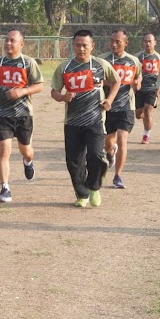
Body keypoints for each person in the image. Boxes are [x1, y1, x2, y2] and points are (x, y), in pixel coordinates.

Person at [50, 29, 120, 207]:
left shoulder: (100, 64)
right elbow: (54, 91)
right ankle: (82, 194)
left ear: (92, 46)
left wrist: (109, 99)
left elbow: (116, 80)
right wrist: (63, 97)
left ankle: (94, 187)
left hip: (95, 120)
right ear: (73, 46)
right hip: (72, 122)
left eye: (85, 46)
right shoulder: (64, 67)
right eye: (78, 45)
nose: (81, 49)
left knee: (96, 156)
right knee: (74, 161)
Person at [0, 29, 44, 202]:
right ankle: (5, 188)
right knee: (4, 150)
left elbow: (39, 86)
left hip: (24, 114)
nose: (9, 44)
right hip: (2, 114)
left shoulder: (28, 63)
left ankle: (28, 161)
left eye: (13, 41)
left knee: (26, 150)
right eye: (7, 40)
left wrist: (22, 91)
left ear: (21, 44)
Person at [99, 30, 142, 189]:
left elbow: (139, 76)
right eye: (112, 41)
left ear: (126, 43)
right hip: (107, 106)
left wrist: (138, 81)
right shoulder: (103, 60)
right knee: (108, 143)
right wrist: (108, 83)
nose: (114, 44)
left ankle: (118, 176)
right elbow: (96, 80)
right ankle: (111, 153)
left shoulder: (133, 61)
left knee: (123, 139)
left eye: (117, 42)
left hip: (126, 106)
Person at [134, 33, 160, 145]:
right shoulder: (137, 57)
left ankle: (146, 136)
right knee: (138, 114)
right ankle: (141, 113)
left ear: (155, 42)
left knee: (147, 110)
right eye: (146, 41)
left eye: (150, 41)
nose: (148, 43)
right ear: (143, 42)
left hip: (152, 88)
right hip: (140, 88)